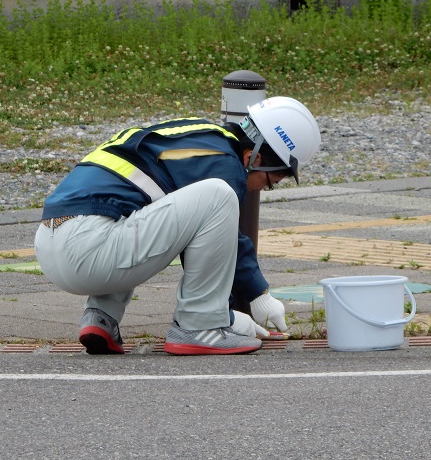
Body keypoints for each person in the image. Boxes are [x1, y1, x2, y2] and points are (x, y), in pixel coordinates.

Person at [34, 96, 321, 355]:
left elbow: (191, 236)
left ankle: (101, 316)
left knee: (144, 206)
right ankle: (200, 327)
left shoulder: (199, 138)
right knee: (218, 197)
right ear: (253, 158)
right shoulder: (225, 164)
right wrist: (258, 295)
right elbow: (225, 239)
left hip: (51, 243)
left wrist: (230, 310)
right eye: (271, 182)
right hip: (88, 252)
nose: (261, 190)